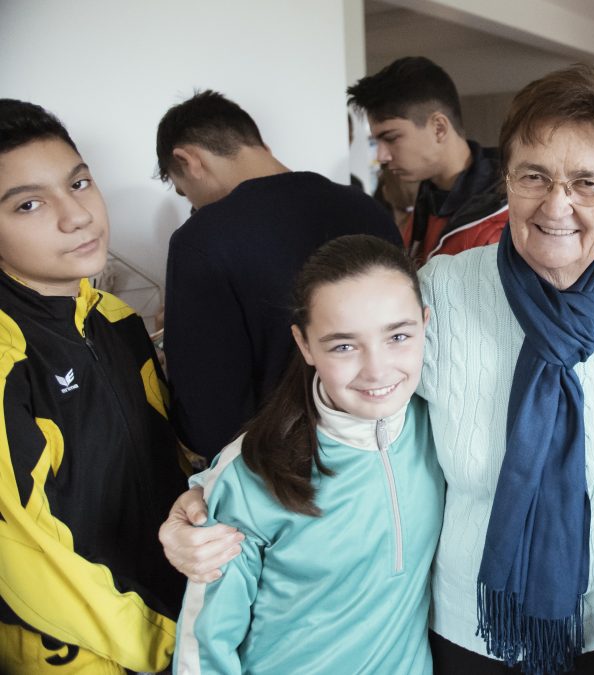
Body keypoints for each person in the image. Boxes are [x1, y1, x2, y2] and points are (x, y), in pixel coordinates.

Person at [161, 63, 594, 674]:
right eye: (534, 176)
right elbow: (346, 405)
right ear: (507, 180)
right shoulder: (441, 290)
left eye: (588, 184)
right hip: (470, 628)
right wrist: (212, 495)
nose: (557, 204)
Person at [173, 235, 442, 673]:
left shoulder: (439, 426)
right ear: (305, 345)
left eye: (398, 336)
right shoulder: (253, 469)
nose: (377, 369)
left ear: (424, 324)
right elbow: (203, 644)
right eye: (343, 346)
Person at [0, 99, 186, 673]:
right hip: (81, 651)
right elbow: (23, 552)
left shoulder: (116, 320)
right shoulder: (8, 358)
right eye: (28, 204)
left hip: (171, 613)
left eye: (78, 183)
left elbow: (167, 459)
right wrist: (165, 641)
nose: (77, 215)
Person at [156, 90, 400, 459]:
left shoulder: (201, 240)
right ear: (261, 146)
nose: (192, 204)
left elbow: (210, 420)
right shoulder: (368, 210)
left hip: (280, 468)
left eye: (183, 191)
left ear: (188, 160)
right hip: (385, 446)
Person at [347, 56, 508, 264]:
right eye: (377, 141)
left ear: (439, 128)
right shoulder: (427, 202)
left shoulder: (506, 219)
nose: (381, 156)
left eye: (391, 138)